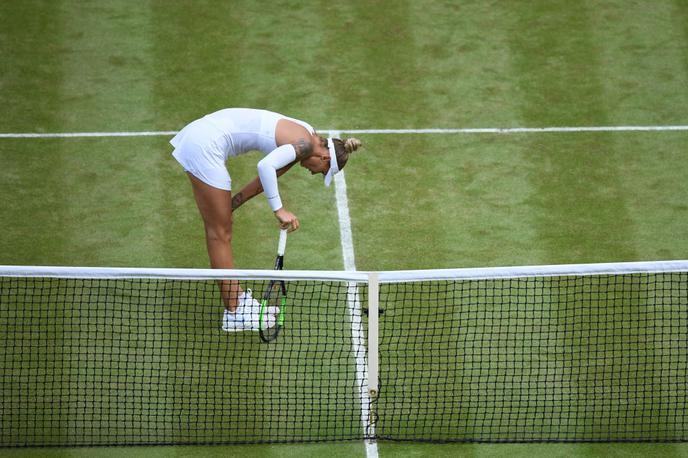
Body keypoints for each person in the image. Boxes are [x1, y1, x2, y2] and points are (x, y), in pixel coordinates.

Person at [170, 108, 362, 332]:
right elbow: (265, 167)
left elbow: (265, 179)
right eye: (322, 172)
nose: (314, 174)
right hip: (205, 145)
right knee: (219, 234)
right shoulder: (305, 146)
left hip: (202, 135)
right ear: (325, 158)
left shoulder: (307, 135)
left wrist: (231, 205)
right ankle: (234, 313)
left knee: (222, 228)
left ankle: (238, 299)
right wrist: (279, 209)